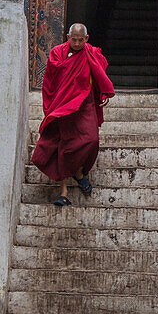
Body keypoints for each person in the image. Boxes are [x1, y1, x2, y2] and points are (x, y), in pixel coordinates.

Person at [31, 23, 115, 206]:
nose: (77, 44)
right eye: (73, 40)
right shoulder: (57, 53)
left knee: (91, 139)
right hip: (62, 104)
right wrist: (50, 105)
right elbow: (49, 81)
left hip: (84, 104)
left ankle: (79, 172)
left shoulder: (92, 53)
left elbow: (99, 75)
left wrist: (103, 94)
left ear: (87, 39)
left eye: (80, 40)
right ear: (68, 37)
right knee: (64, 145)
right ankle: (64, 191)